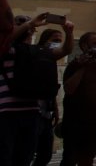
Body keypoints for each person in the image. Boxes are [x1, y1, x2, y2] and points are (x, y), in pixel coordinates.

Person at [60, 32, 96, 166]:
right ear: (85, 46)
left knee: (87, 160)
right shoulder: (74, 65)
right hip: (74, 122)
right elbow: (69, 89)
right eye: (95, 43)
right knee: (70, 159)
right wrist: (83, 67)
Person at [0, 14, 49, 166]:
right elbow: (4, 42)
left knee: (25, 158)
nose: (24, 25)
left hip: (31, 110)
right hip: (6, 112)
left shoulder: (34, 51)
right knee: (4, 157)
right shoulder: (6, 49)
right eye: (19, 22)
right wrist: (28, 25)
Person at [33, 26, 75, 166]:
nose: (57, 43)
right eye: (55, 40)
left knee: (45, 154)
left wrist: (55, 109)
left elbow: (50, 88)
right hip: (32, 111)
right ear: (44, 41)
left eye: (59, 40)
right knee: (26, 152)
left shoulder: (50, 61)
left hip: (46, 113)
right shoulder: (35, 55)